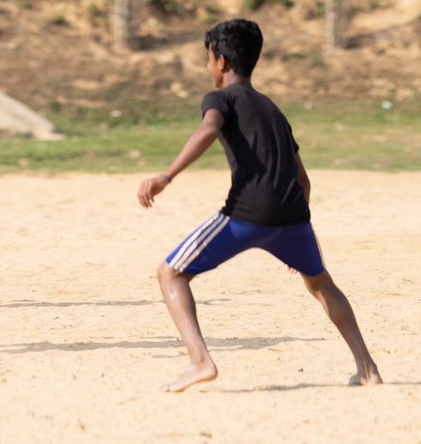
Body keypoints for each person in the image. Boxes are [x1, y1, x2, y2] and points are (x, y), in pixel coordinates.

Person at [137, 19, 382, 392]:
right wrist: (296, 230)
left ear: (220, 61)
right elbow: (303, 179)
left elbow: (208, 129)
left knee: (170, 273)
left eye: (208, 59)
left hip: (248, 212)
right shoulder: (273, 110)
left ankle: (200, 361)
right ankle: (367, 368)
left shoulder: (219, 99)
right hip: (293, 215)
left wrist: (166, 176)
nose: (208, 67)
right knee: (321, 285)